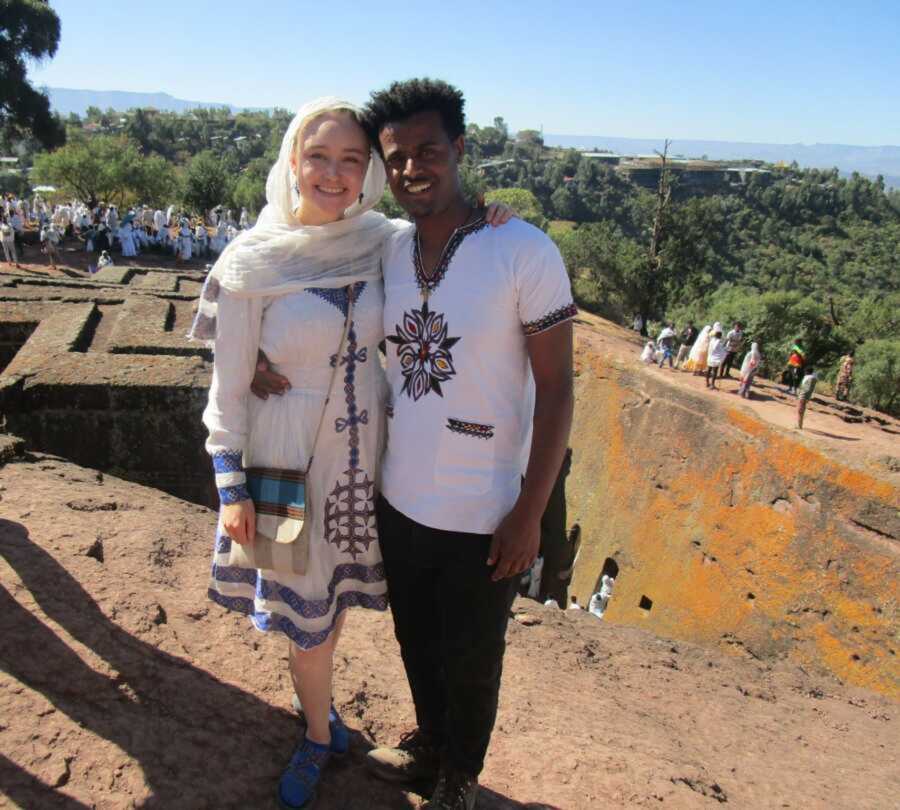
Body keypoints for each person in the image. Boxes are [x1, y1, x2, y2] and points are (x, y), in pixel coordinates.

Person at [205, 95, 515, 810]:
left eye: (352, 160)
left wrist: (488, 218)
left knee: (334, 607)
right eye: (319, 157)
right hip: (288, 460)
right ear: (292, 160)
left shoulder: (379, 240)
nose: (334, 174)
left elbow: (445, 241)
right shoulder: (252, 259)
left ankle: (323, 714)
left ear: (369, 171)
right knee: (307, 618)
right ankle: (317, 735)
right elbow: (224, 383)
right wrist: (231, 485)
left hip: (366, 456)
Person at [360, 79, 574, 810]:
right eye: (396, 158)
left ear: (460, 149)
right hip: (400, 492)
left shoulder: (523, 250)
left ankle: (461, 775)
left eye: (428, 150)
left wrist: (529, 512)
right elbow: (301, 273)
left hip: (485, 508)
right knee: (416, 637)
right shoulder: (385, 248)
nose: (412, 169)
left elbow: (558, 391)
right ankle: (431, 739)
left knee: (474, 656)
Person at [706, 323, 727, 389]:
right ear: (719, 336)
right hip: (715, 359)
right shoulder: (718, 342)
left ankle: (707, 382)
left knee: (709, 370)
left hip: (710, 357)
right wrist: (725, 351)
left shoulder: (712, 340)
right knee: (714, 371)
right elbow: (720, 349)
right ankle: (712, 384)